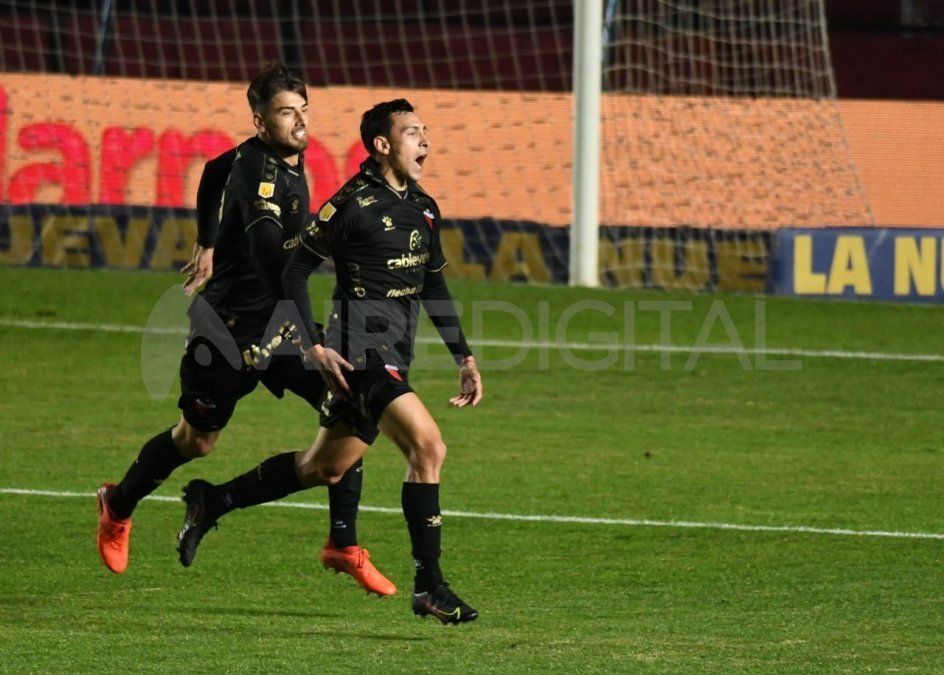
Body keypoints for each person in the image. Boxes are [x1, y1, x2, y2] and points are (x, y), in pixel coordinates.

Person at [176, 99, 483, 625]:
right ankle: (429, 584)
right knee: (428, 446)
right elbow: (295, 270)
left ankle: (213, 500)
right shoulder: (351, 205)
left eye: (425, 132)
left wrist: (464, 356)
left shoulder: (425, 208)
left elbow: (433, 283)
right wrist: (314, 345)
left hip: (395, 354)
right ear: (383, 145)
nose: (425, 141)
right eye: (412, 132)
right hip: (359, 353)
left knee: (324, 466)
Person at [96, 63, 394, 597]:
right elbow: (279, 265)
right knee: (197, 440)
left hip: (279, 329)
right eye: (286, 112)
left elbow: (212, 169)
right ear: (260, 121)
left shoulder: (265, 155)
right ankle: (117, 506)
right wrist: (318, 336)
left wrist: (206, 240)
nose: (300, 121)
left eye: (303, 109)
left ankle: (343, 545)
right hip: (227, 333)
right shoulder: (260, 189)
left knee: (352, 403)